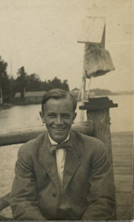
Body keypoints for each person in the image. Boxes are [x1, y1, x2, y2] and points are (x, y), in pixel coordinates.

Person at [10, 89, 116, 220]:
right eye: (52, 115)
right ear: (42, 117)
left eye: (65, 116)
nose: (59, 122)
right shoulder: (28, 151)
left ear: (73, 117)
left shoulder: (95, 149)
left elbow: (103, 200)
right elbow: (21, 201)